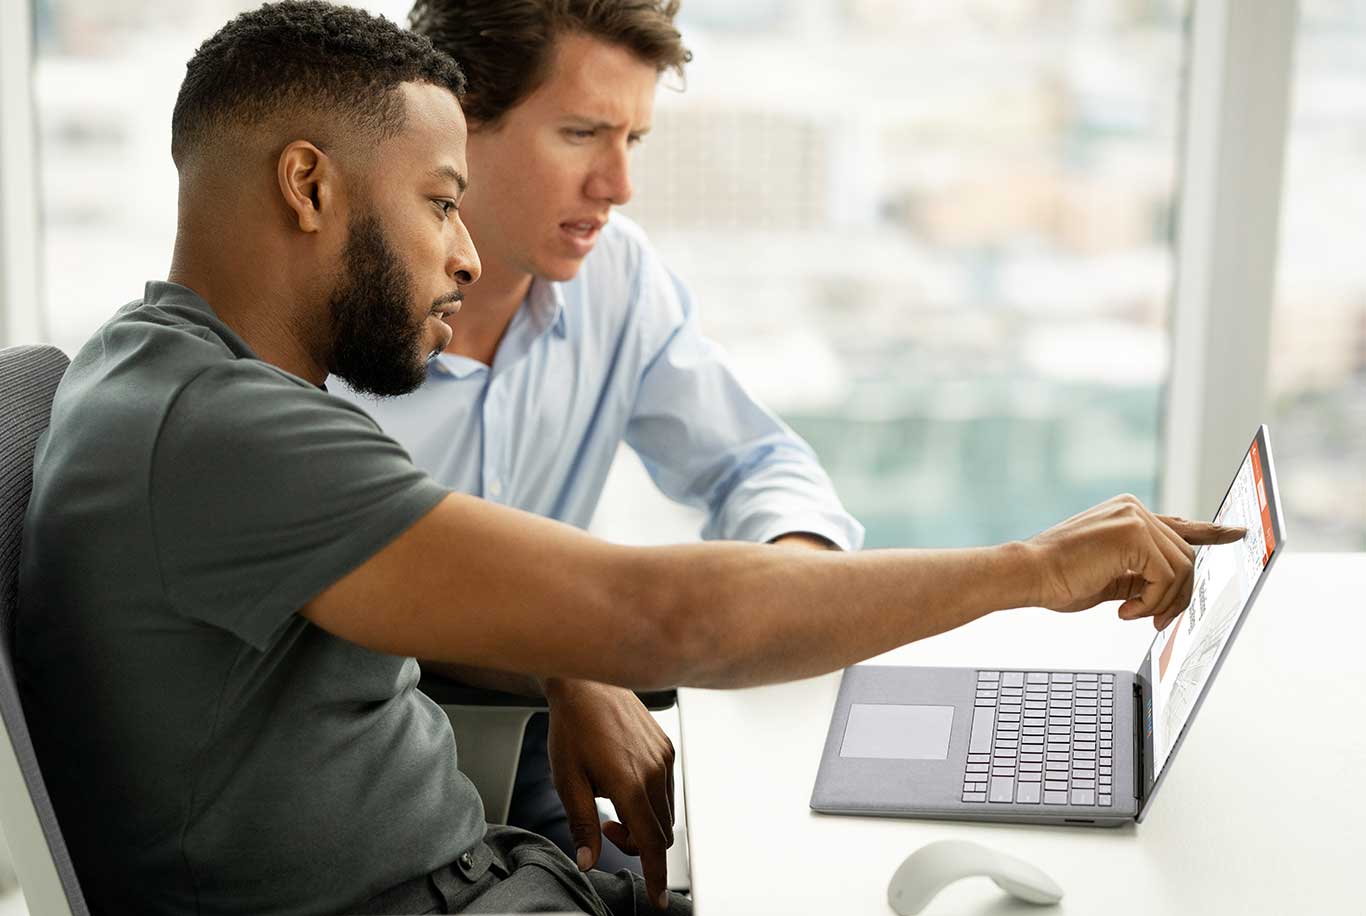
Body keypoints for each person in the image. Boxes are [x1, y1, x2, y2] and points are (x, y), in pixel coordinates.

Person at [15, 3, 1242, 916]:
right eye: (440, 202)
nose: (459, 257)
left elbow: (685, 530)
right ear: (307, 187)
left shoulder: (173, 374)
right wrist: (1030, 566)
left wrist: (574, 657)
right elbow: (658, 611)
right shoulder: (229, 432)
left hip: (490, 877)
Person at [331, 0, 862, 884]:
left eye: (634, 140)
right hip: (364, 780)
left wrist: (787, 587)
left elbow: (756, 463)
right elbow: (365, 595)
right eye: (581, 133)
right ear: (451, 128)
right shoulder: (327, 323)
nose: (617, 184)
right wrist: (564, 657)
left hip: (541, 740)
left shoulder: (617, 275)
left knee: (786, 866)